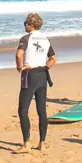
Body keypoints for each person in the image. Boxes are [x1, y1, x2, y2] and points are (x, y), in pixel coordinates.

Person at [14, 12, 56, 154]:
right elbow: (53, 59)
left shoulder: (26, 38)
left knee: (23, 110)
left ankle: (26, 144)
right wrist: (44, 67)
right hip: (42, 76)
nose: (24, 25)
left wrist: (19, 67)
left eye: (25, 23)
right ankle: (42, 143)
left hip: (30, 75)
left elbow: (19, 54)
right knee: (41, 111)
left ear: (30, 25)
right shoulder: (45, 39)